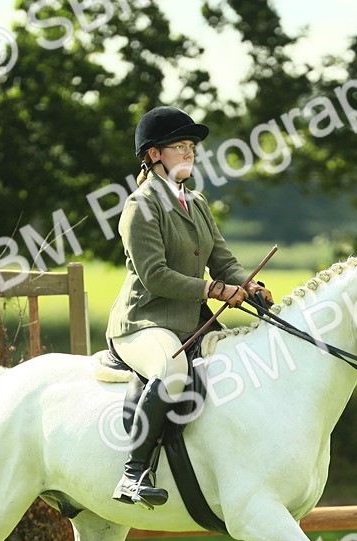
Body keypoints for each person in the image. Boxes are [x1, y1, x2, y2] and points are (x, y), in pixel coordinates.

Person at [106, 106, 273, 509]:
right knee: (172, 369)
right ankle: (134, 473)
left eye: (191, 146)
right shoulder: (140, 206)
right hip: (144, 323)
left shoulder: (195, 203)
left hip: (191, 323)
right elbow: (155, 276)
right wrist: (213, 289)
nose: (189, 153)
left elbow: (224, 261)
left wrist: (247, 284)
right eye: (179, 146)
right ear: (154, 154)